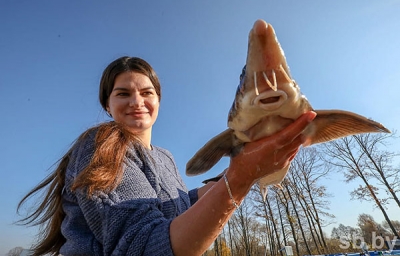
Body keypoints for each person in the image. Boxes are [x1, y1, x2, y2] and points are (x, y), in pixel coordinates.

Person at [17, 56, 316, 256]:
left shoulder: (166, 157)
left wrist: (228, 177)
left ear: (159, 100)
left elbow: (176, 206)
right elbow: (146, 246)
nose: (137, 102)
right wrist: (239, 178)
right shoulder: (100, 147)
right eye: (123, 94)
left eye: (147, 93)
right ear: (107, 105)